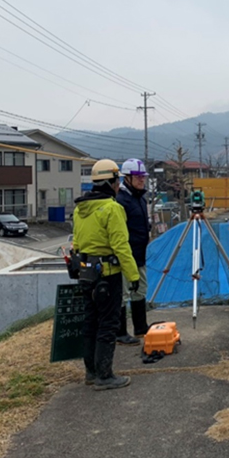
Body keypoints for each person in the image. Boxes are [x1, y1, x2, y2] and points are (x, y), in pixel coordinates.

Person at [72, 159, 140, 390]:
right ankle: (104, 375)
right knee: (108, 323)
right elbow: (121, 246)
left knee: (90, 322)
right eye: (117, 181)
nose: (119, 185)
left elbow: (76, 244)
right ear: (111, 182)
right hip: (108, 275)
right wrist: (133, 276)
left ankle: (91, 372)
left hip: (87, 275)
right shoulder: (112, 208)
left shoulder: (80, 209)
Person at [115, 158, 151, 345]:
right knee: (123, 294)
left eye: (142, 177)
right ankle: (120, 332)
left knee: (140, 290)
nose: (141, 180)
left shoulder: (140, 198)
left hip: (139, 254)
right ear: (127, 178)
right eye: (137, 177)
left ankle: (140, 327)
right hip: (125, 256)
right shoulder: (120, 200)